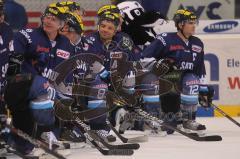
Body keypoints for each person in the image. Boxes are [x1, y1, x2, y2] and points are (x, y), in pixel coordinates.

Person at [5, 5, 73, 155]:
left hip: (43, 87)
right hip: (21, 84)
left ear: (61, 25)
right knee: (45, 87)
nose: (48, 21)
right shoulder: (28, 35)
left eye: (53, 19)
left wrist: (66, 96)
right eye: (47, 17)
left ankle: (22, 140)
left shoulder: (66, 44)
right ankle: (44, 132)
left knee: (60, 96)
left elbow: (66, 73)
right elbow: (13, 62)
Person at [141, 9, 214, 133]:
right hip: (166, 80)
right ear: (180, 25)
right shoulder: (165, 38)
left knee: (192, 81)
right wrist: (158, 65)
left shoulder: (197, 43)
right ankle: (152, 119)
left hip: (183, 80)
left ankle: (188, 120)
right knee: (170, 125)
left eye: (194, 22)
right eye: (190, 23)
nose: (193, 25)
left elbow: (200, 68)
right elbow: (144, 58)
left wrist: (203, 89)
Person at [84, 11, 140, 142]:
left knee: (130, 75)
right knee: (99, 86)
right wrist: (104, 73)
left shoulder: (121, 42)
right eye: (102, 26)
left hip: (110, 82)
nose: (105, 30)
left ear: (116, 31)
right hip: (88, 82)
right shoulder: (90, 40)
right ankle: (98, 128)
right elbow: (86, 62)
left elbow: (131, 61)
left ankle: (125, 109)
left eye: (109, 28)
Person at [0, 0, 13, 135]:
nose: (1, 15)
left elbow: (12, 56)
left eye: (1, 11)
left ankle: (5, 135)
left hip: (3, 80)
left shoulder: (6, 29)